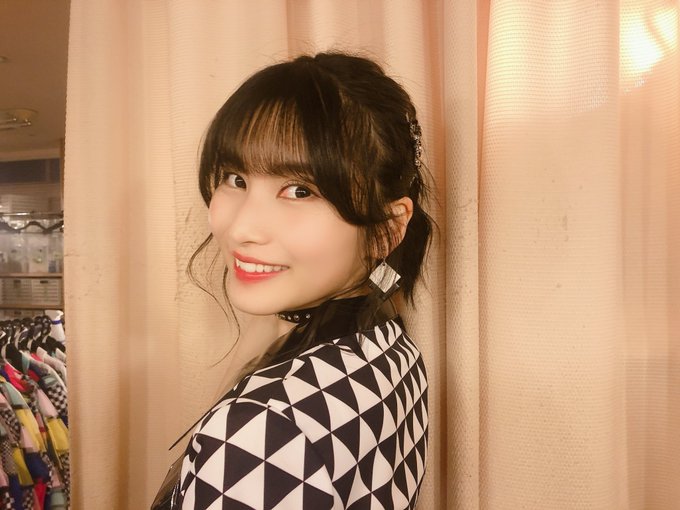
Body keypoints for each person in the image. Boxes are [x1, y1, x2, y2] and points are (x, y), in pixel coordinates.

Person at [153, 52, 434, 510]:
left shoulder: (260, 433)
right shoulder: (390, 349)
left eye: (300, 190)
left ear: (387, 229)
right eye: (235, 178)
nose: (241, 228)